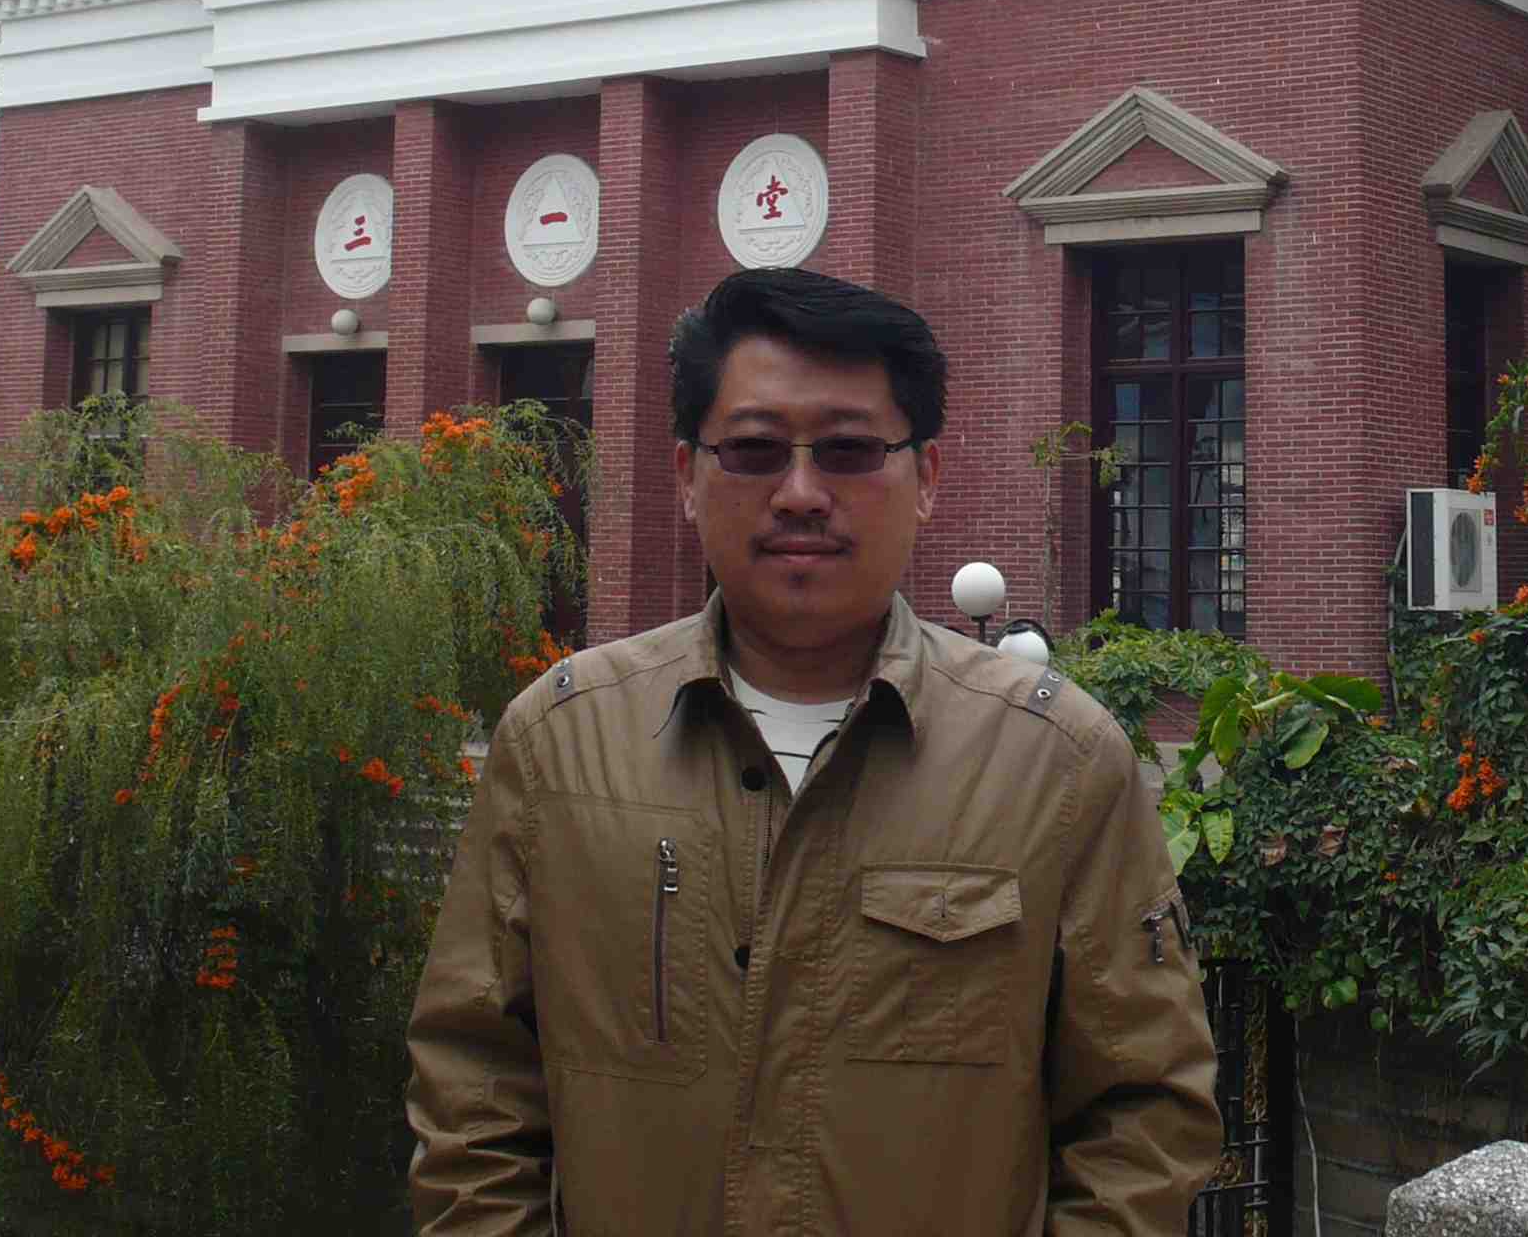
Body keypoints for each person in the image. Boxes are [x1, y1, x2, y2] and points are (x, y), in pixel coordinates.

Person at [406, 266, 1222, 1235]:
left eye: (847, 449)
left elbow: (1145, 1111)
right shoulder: (559, 744)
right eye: (753, 451)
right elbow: (474, 1090)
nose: (800, 493)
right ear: (684, 476)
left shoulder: (1058, 762)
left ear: (926, 478)